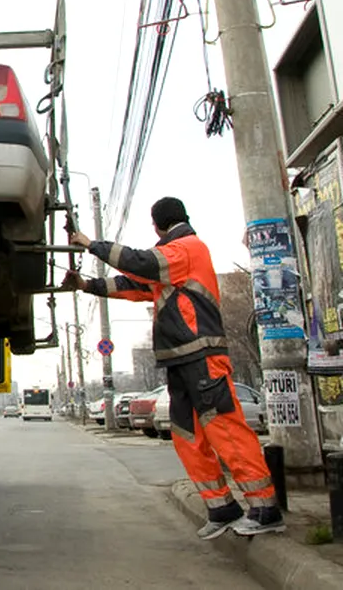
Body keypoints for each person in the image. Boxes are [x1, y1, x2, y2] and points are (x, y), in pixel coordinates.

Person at [63, 196, 284, 538]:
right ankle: (221, 507)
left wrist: (91, 245)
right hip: (182, 358)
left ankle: (265, 508)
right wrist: (88, 285)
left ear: (157, 224)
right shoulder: (175, 260)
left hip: (201, 355)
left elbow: (140, 263)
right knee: (189, 437)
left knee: (225, 429)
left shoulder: (185, 248)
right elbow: (134, 285)